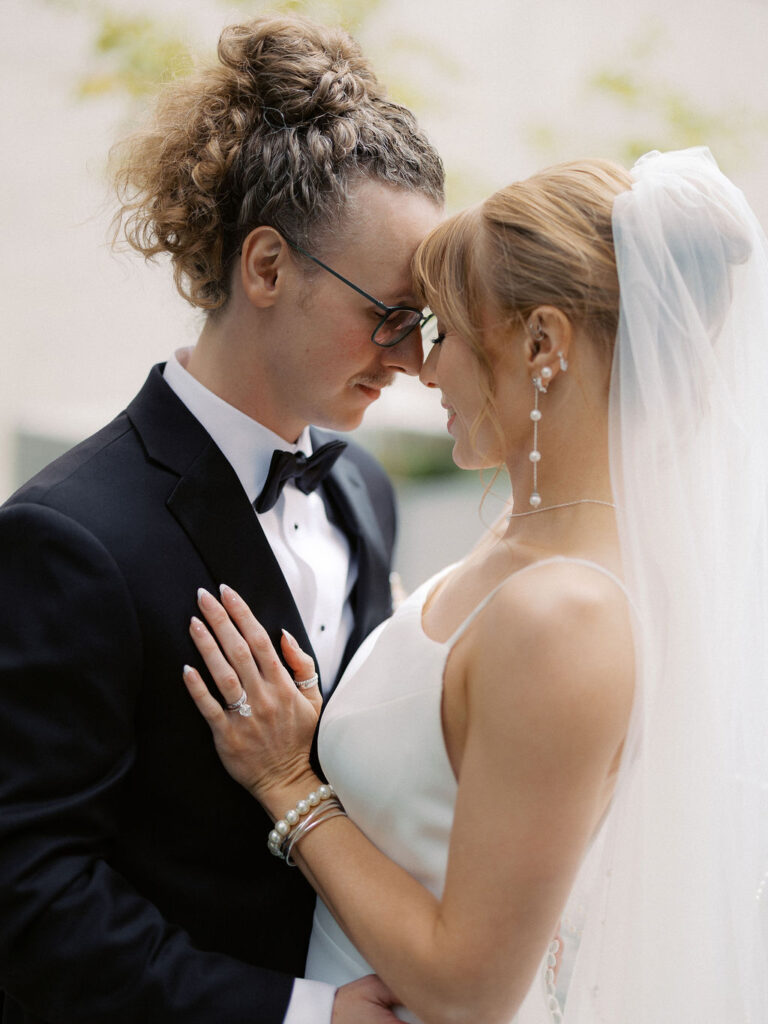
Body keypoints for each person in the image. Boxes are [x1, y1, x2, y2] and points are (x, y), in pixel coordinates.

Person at [183, 147, 768, 1023]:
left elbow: (470, 991)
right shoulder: (520, 542)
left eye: (447, 332)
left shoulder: (564, 615)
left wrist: (288, 784)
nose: (424, 368)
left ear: (542, 345)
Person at [0, 14, 444, 1024]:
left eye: (420, 323)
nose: (412, 358)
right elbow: (30, 898)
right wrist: (300, 1014)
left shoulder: (363, 491)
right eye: (385, 314)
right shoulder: (67, 539)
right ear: (268, 267)